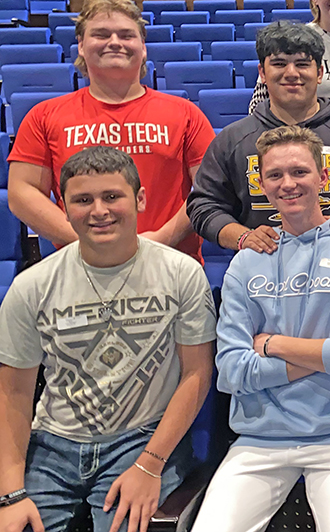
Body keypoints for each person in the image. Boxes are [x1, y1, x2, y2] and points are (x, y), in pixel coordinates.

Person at [0, 146, 216, 532]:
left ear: (140, 199)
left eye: (111, 196)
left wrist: (149, 464)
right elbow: (12, 395)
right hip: (51, 445)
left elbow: (196, 375)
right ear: (63, 207)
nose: (98, 210)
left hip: (141, 439)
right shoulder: (30, 286)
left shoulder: (181, 273)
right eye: (83, 200)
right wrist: (11, 494)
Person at [190, 126, 330, 532]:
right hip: (259, 441)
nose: (288, 184)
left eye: (299, 172)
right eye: (275, 175)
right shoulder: (247, 262)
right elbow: (232, 372)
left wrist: (272, 345)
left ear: (323, 176)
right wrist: (323, 354)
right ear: (260, 182)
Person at [7, 0, 215, 262]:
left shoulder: (186, 114)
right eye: (101, 34)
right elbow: (22, 193)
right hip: (82, 264)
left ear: (143, 47)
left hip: (170, 262)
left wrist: (159, 241)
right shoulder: (44, 116)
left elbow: (208, 188)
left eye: (126, 35)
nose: (115, 43)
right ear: (81, 45)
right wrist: (87, 241)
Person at [188, 21, 330, 254]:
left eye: (303, 64)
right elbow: (203, 205)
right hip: (262, 268)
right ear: (262, 73)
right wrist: (243, 237)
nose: (292, 73)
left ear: (320, 73)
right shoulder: (233, 139)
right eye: (279, 64)